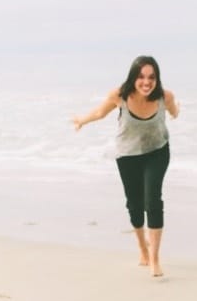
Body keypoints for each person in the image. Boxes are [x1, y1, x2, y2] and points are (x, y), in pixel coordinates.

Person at [72, 55, 180, 277]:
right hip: (128, 155)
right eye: (141, 77)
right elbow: (100, 113)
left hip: (157, 152)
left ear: (157, 79)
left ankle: (155, 259)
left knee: (153, 200)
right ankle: (142, 248)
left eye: (151, 77)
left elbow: (173, 111)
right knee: (134, 204)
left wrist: (177, 111)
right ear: (134, 77)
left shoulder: (164, 97)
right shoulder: (120, 95)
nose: (146, 82)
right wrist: (82, 120)